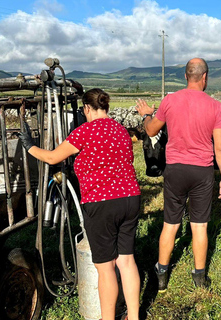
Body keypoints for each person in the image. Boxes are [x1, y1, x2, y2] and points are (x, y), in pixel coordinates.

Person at [19, 88, 140, 320]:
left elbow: (53, 157)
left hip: (102, 203)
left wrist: (29, 145)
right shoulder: (121, 130)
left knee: (105, 268)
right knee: (126, 261)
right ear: (106, 107)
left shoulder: (84, 131)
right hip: (130, 198)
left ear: (86, 108)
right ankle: (133, 317)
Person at [135, 57, 221, 291]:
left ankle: (162, 274)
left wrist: (147, 114)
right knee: (199, 226)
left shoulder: (169, 100)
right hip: (202, 171)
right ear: (205, 77)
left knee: (170, 224)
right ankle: (199, 278)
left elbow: (151, 129)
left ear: (185, 76)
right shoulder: (216, 106)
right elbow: (220, 147)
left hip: (175, 170)